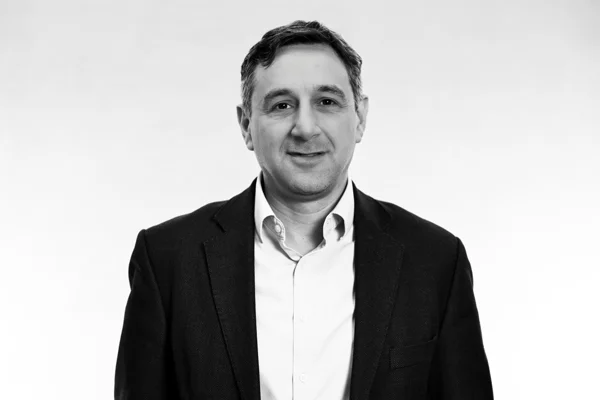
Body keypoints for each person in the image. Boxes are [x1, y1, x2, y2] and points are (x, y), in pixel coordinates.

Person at [114, 20, 493, 400]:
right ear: (246, 125)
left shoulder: (435, 260)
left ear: (360, 118)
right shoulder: (167, 259)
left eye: (327, 102)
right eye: (281, 105)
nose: (305, 128)